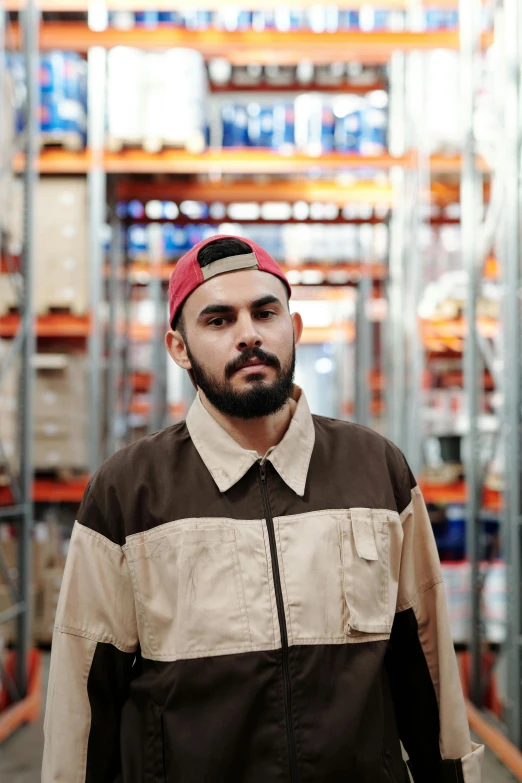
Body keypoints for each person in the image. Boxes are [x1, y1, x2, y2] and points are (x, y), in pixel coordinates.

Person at [42, 235, 483, 782]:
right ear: (179, 348)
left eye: (265, 312)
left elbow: (428, 668)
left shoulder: (376, 470)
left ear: (293, 330)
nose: (249, 334)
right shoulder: (128, 492)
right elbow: (84, 698)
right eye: (219, 320)